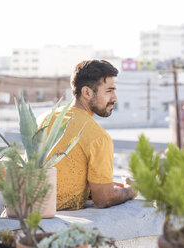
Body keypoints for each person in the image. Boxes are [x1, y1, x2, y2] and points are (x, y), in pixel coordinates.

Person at [39, 60, 137, 210]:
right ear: (87, 92)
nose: (115, 98)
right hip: (55, 224)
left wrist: (97, 186)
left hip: (23, 214)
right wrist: (130, 191)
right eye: (109, 91)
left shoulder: (45, 118)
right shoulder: (98, 137)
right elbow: (104, 199)